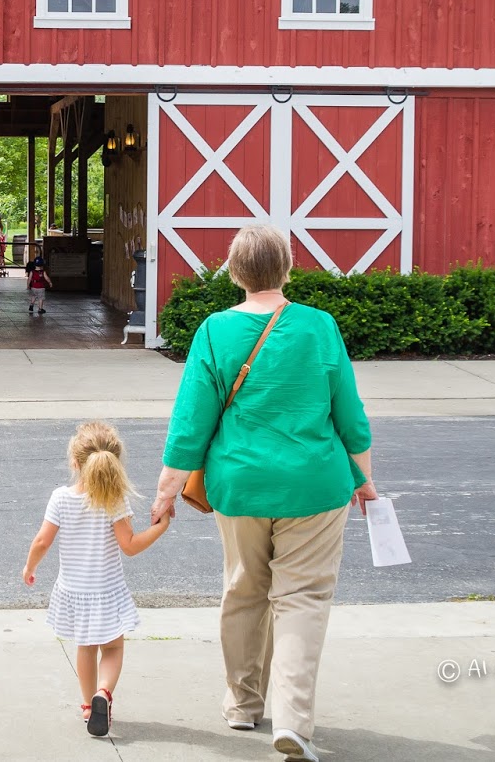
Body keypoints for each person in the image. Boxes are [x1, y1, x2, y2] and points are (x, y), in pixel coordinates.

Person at [148, 224, 375, 762]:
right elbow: (350, 413)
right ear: (288, 269)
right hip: (315, 487)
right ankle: (294, 722)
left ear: (232, 273)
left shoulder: (213, 331)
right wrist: (363, 477)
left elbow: (191, 421)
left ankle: (243, 705)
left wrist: (166, 492)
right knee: (302, 600)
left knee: (245, 587)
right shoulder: (319, 327)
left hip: (240, 485)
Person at [22, 421, 171, 738]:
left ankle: (89, 706)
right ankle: (104, 693)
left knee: (86, 648)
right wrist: (160, 528)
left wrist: (30, 567)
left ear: (75, 463)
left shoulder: (61, 498)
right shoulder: (115, 500)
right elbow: (129, 547)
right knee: (113, 649)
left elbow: (42, 542)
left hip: (75, 591)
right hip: (107, 591)